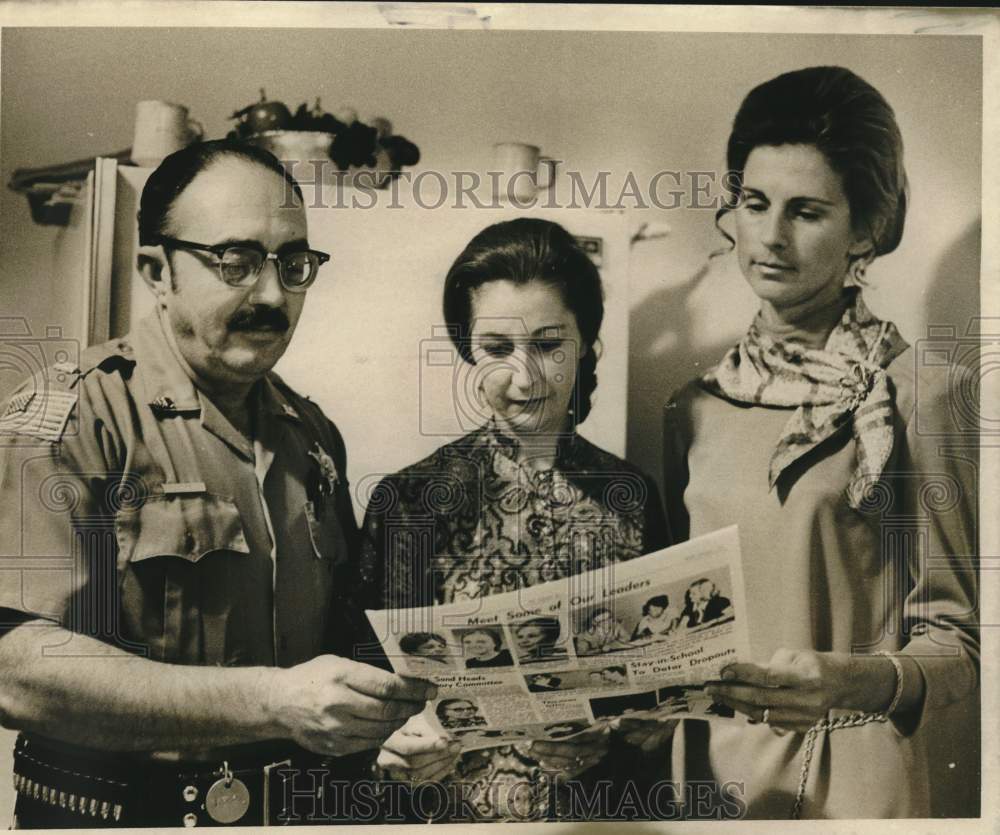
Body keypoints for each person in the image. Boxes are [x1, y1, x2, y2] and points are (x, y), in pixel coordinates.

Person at [0, 140, 434, 828]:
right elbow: (18, 674)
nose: (271, 294)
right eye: (234, 263)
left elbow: (333, 656)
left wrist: (387, 725)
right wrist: (271, 699)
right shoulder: (71, 415)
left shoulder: (312, 437)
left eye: (293, 265)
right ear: (157, 271)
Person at [659, 66, 978, 818]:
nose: (769, 236)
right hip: (704, 775)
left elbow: (960, 645)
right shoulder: (691, 405)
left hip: (847, 779)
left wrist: (838, 679)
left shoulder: (925, 394)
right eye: (754, 202)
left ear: (866, 228)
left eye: (805, 211)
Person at [359, 218, 671, 821]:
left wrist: (626, 729)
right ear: (468, 355)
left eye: (550, 345)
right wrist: (395, 744)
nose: (524, 377)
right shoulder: (411, 502)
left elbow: (659, 682)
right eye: (498, 350)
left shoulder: (631, 495)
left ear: (586, 348)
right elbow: (361, 692)